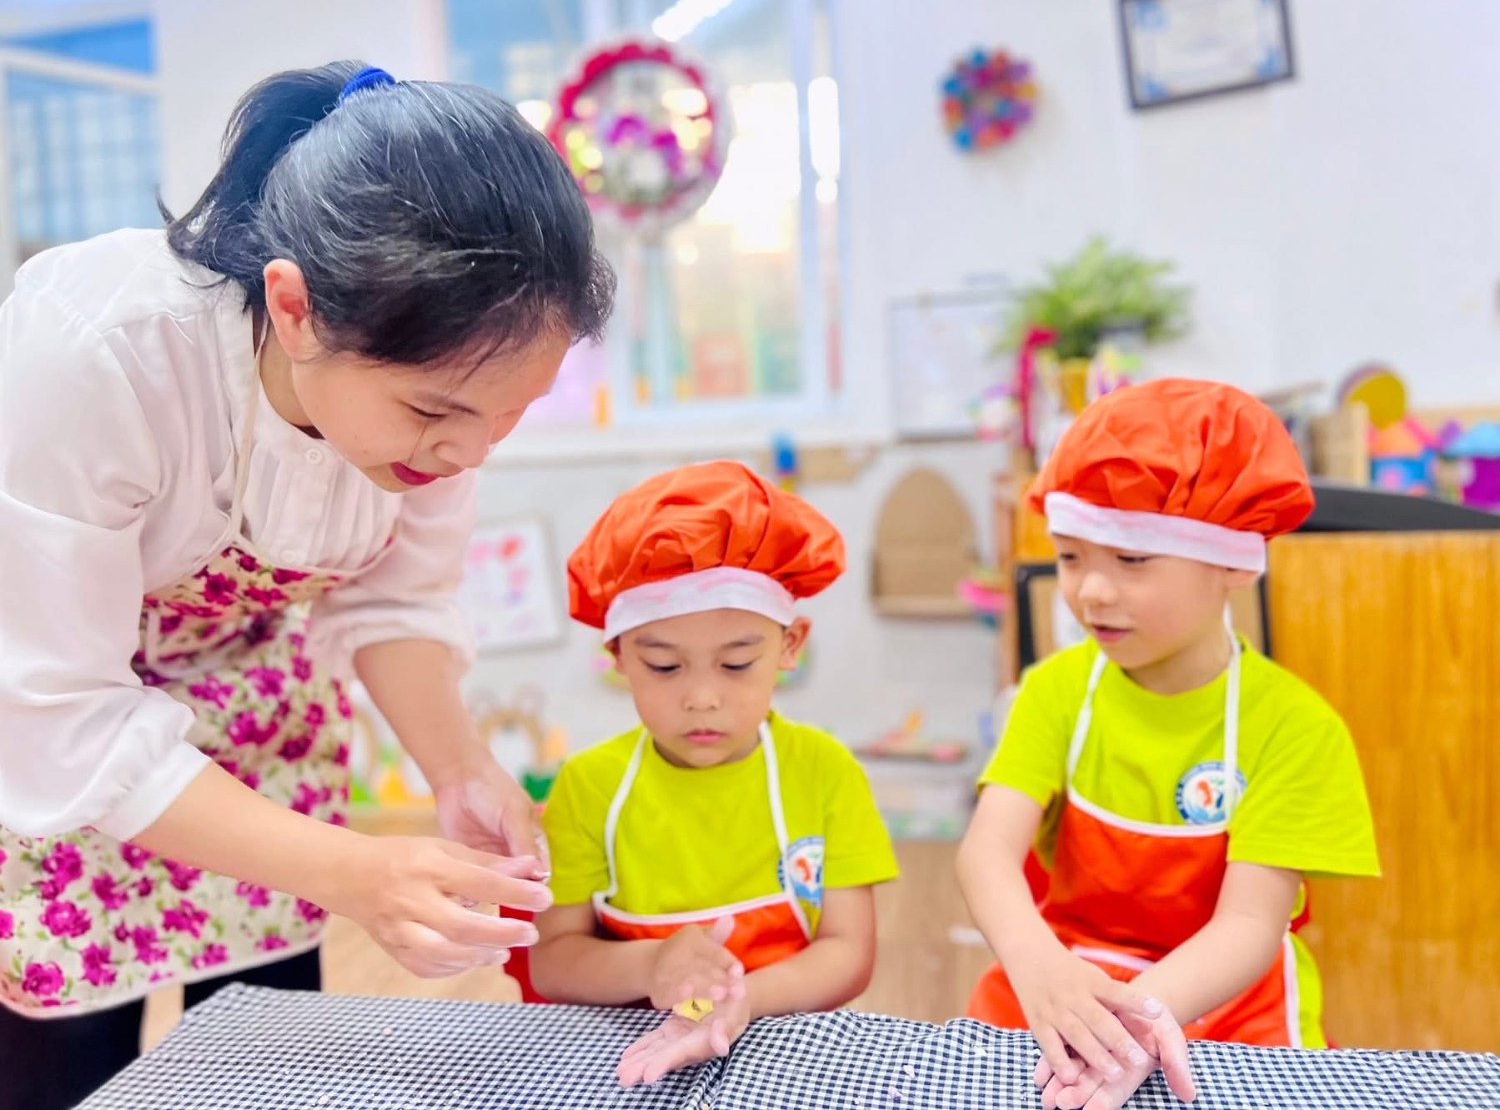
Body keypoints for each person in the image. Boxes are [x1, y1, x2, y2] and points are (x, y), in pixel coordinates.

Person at [0, 60, 614, 1109]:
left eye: (508, 418)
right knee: (67, 1066)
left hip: (261, 711)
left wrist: (460, 768)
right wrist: (355, 870)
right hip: (58, 718)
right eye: (433, 414)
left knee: (265, 1059)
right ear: (294, 307)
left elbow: (393, 601)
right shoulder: (96, 353)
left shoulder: (446, 402)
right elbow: (58, 712)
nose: (467, 454)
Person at [958, 379, 1380, 1110]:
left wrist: (1133, 1021)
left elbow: (1248, 924)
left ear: (1234, 564)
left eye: (1132, 560)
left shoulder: (1295, 728)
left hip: (1228, 998)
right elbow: (986, 852)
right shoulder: (1055, 692)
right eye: (1070, 557)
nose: (1091, 591)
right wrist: (1039, 968)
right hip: (1066, 972)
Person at [530, 461, 899, 1085]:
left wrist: (743, 1001)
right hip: (628, 1056)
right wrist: (654, 966)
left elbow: (848, 951)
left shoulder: (824, 771)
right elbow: (554, 961)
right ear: (618, 656)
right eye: (664, 667)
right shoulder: (589, 785)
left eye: (736, 664)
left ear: (789, 645)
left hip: (787, 1040)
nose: (702, 699)